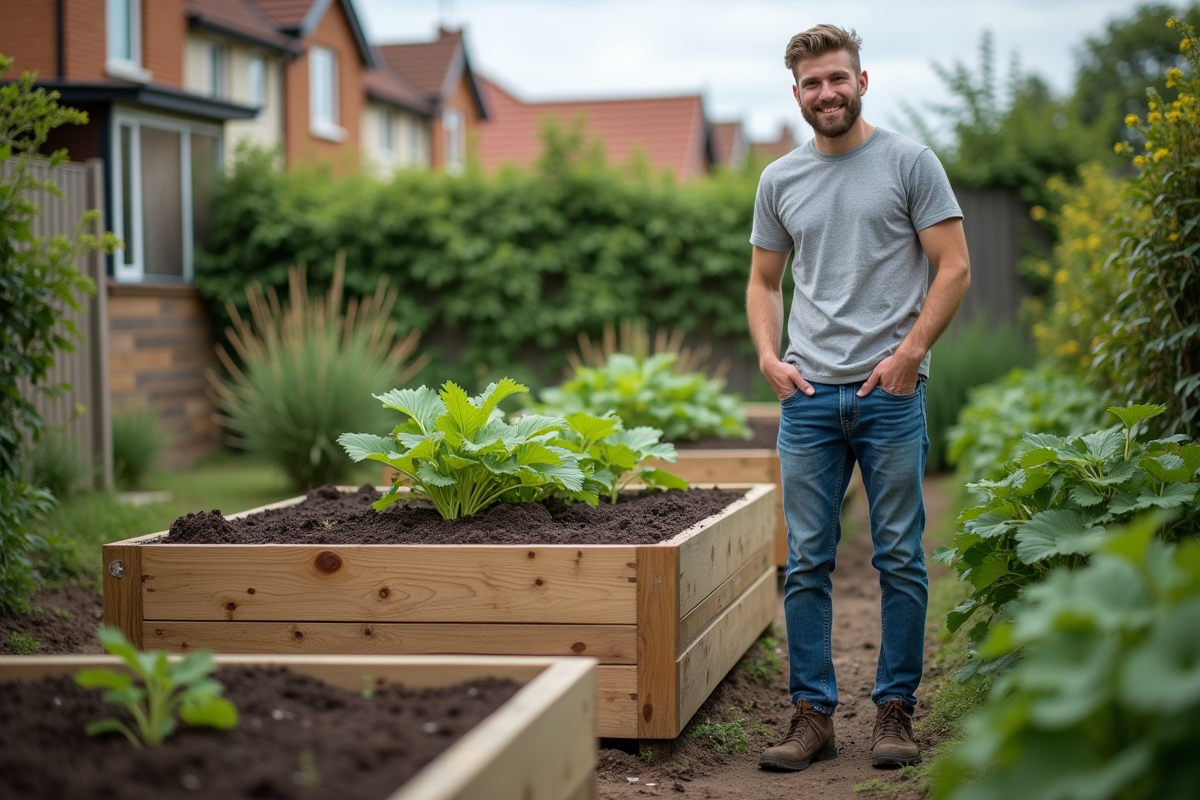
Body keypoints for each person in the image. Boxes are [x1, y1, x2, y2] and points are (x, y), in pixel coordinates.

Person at [746, 24, 971, 772]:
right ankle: (813, 715)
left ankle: (895, 710)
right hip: (808, 399)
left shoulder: (910, 162)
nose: (827, 93)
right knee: (807, 561)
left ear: (862, 82)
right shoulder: (779, 179)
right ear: (797, 94)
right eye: (812, 83)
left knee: (899, 557)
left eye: (837, 78)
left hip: (889, 395)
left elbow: (955, 267)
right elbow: (762, 281)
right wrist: (768, 358)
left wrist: (910, 355)